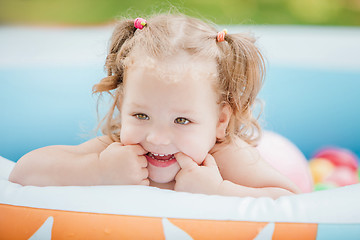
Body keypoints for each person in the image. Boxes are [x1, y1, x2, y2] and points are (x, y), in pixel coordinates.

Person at [9, 14, 301, 198]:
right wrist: (96, 171)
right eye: (141, 115)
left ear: (220, 121)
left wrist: (219, 191)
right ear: (122, 107)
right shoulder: (115, 153)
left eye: (182, 120)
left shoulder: (225, 158)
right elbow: (24, 172)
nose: (156, 138)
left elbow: (292, 201)